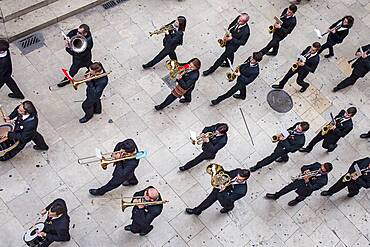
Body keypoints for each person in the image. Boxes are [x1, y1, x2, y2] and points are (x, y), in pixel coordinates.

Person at [185, 168, 250, 215]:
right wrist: (220, 175)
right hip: (219, 189)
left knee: (228, 205)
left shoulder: (242, 191)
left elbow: (229, 199)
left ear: (246, 179)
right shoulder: (238, 171)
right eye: (237, 177)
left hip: (225, 197)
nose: (237, 179)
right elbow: (228, 174)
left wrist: (223, 190)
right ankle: (197, 210)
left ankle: (229, 208)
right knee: (208, 200)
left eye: (240, 180)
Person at [265, 162, 332, 206]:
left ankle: (296, 201)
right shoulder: (317, 165)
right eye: (321, 167)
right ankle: (276, 196)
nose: (320, 169)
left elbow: (312, 188)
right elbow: (304, 167)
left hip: (306, 188)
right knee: (287, 188)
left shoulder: (323, 181)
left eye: (322, 170)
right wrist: (305, 170)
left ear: (326, 172)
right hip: (301, 180)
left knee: (301, 196)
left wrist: (307, 180)